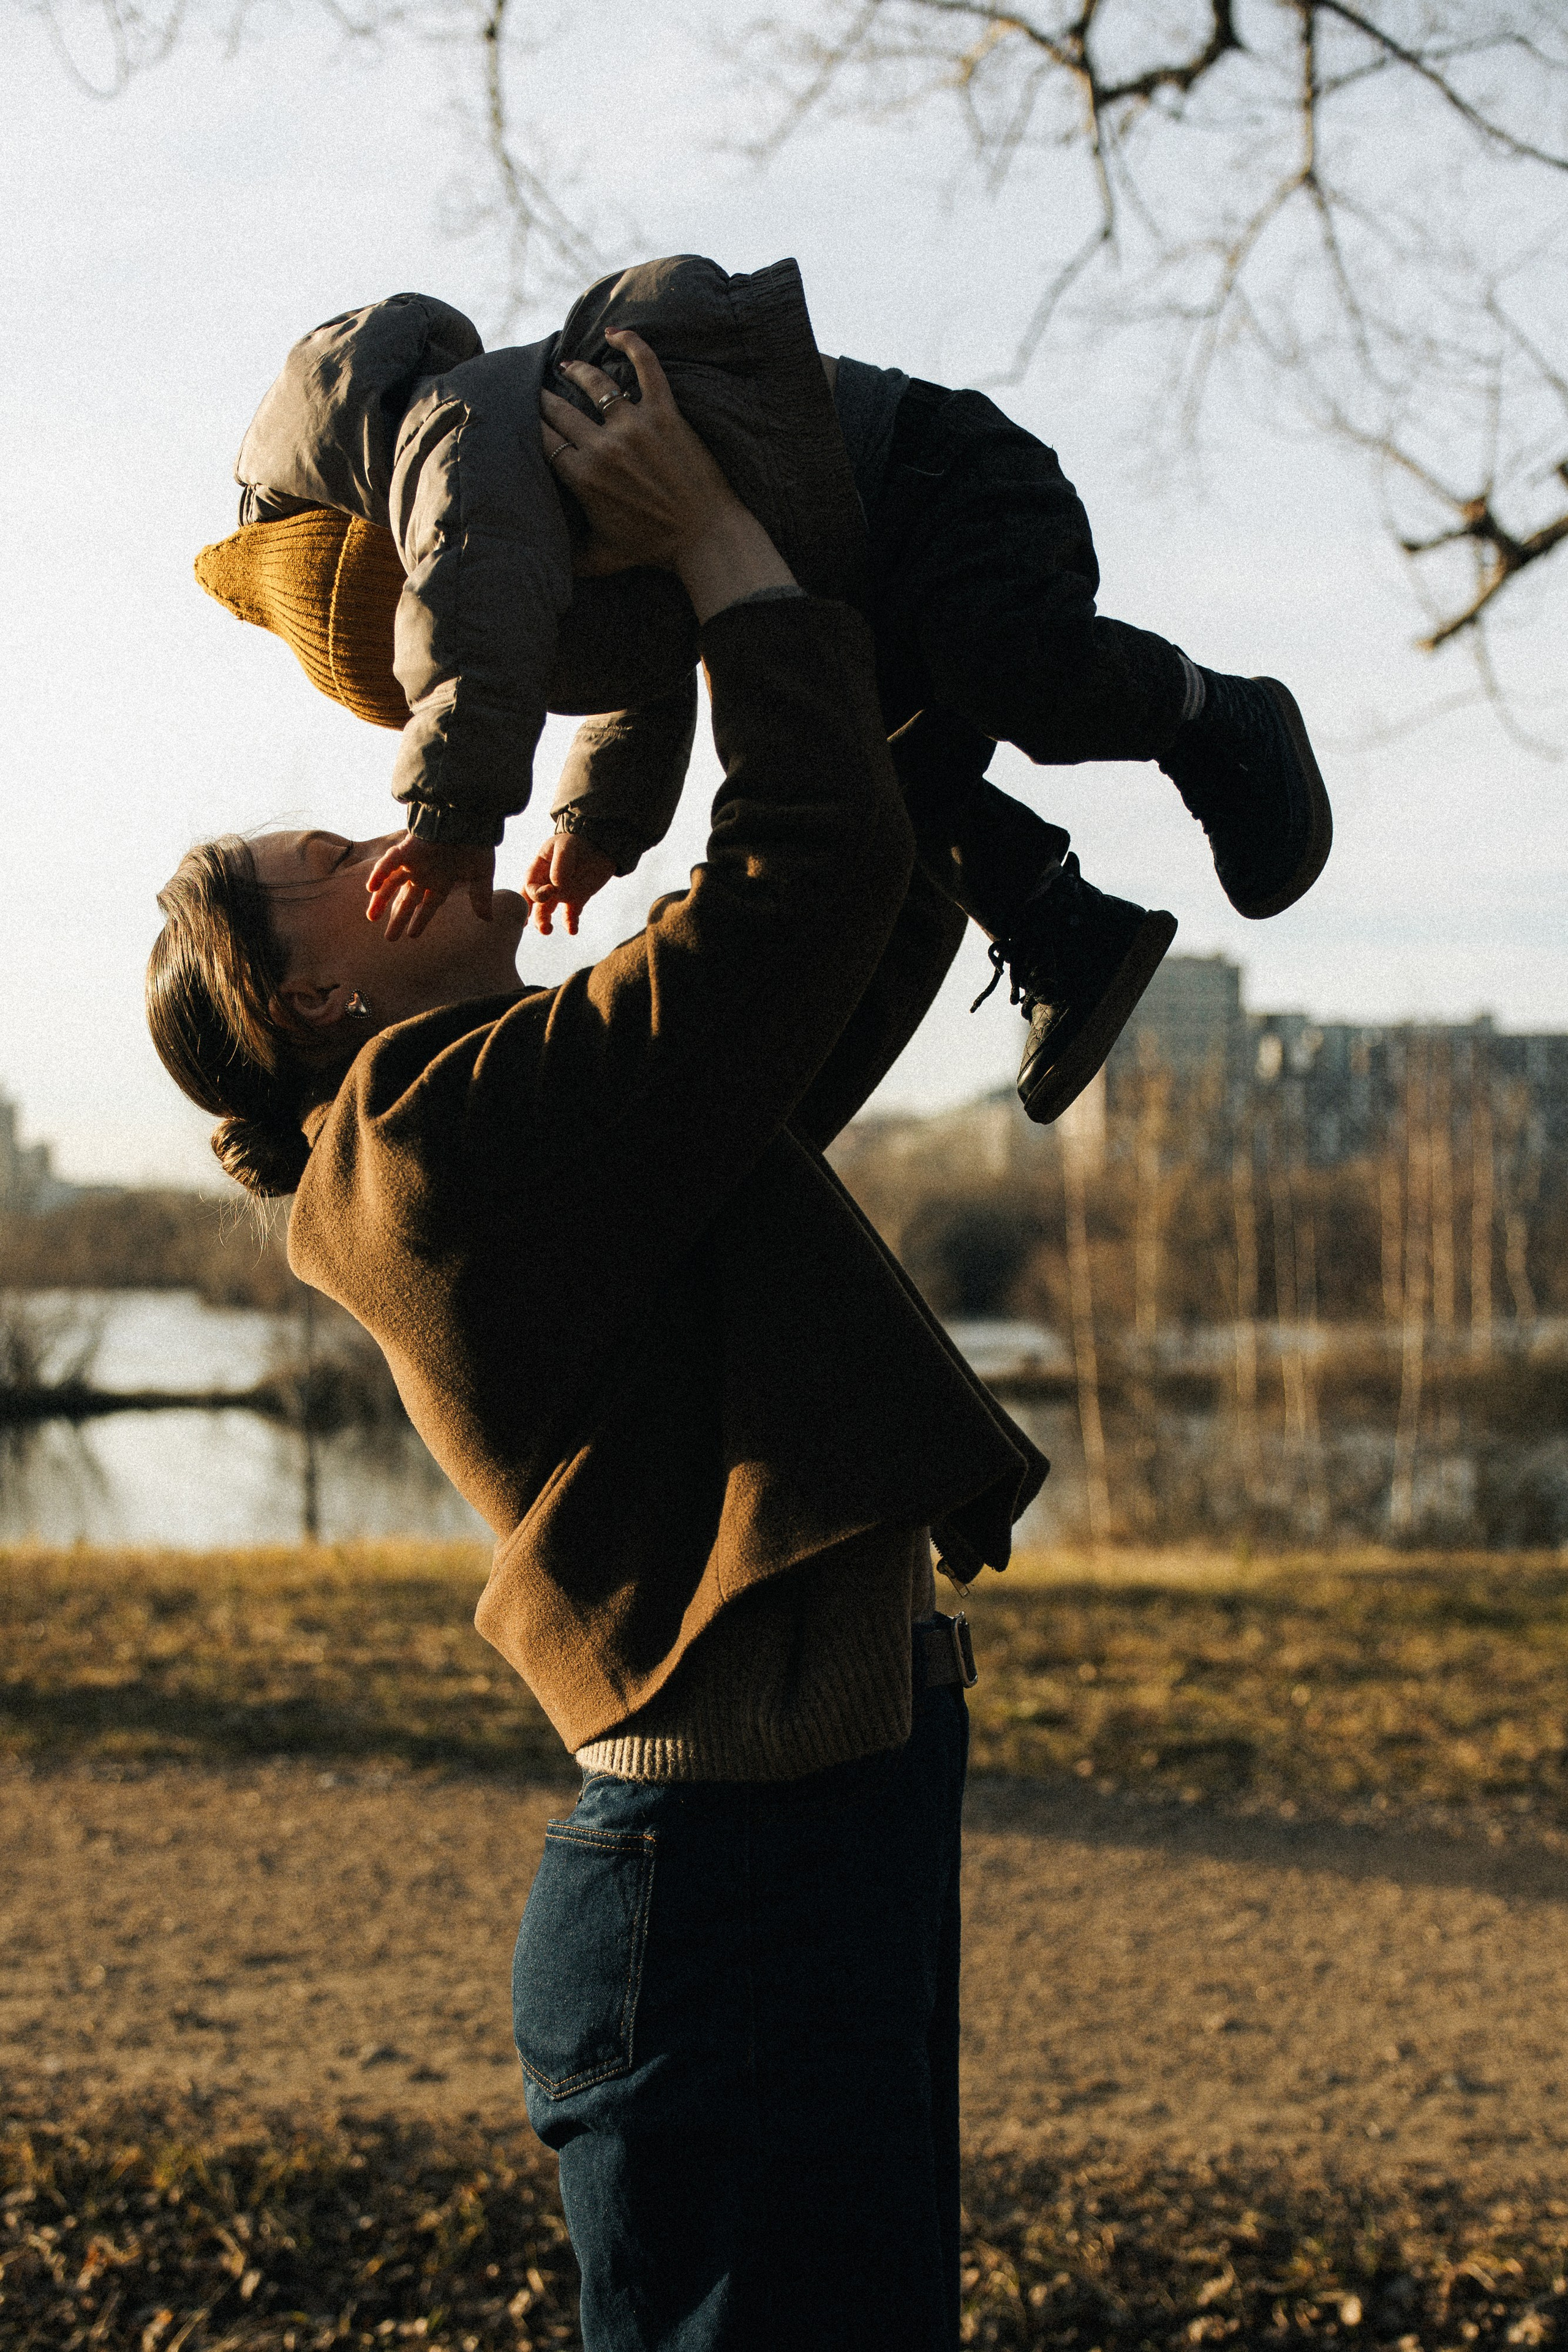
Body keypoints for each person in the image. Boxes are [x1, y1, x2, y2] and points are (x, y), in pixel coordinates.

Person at [148, 331, 1047, 2351]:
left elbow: (826, 946)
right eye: (336, 869)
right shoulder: (429, 1140)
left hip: (805, 1825)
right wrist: (714, 537)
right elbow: (796, 887)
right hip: (734, 1876)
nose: (395, 838)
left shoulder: (495, 1117)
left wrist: (877, 649)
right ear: (311, 1014)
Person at [194, 255, 1330, 1127]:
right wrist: (598, 820)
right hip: (849, 597)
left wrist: (452, 810)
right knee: (873, 774)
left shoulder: (462, 441)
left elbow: (473, 588)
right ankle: (1057, 917)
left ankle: (1210, 715)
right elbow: (644, 678)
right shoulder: (556, 563)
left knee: (1018, 672)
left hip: (923, 484)